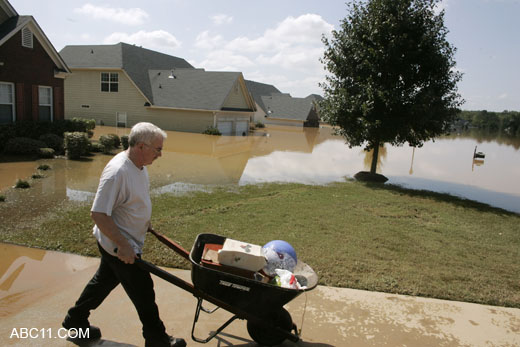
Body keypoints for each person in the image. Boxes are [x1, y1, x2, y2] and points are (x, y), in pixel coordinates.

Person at [62, 122, 186, 347]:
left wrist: (143, 222)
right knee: (143, 291)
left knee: (103, 281)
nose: (160, 154)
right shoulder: (117, 172)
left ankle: (75, 320)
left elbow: (130, 201)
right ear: (141, 146)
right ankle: (157, 339)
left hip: (123, 241)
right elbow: (99, 213)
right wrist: (123, 245)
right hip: (119, 245)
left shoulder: (139, 164)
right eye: (157, 149)